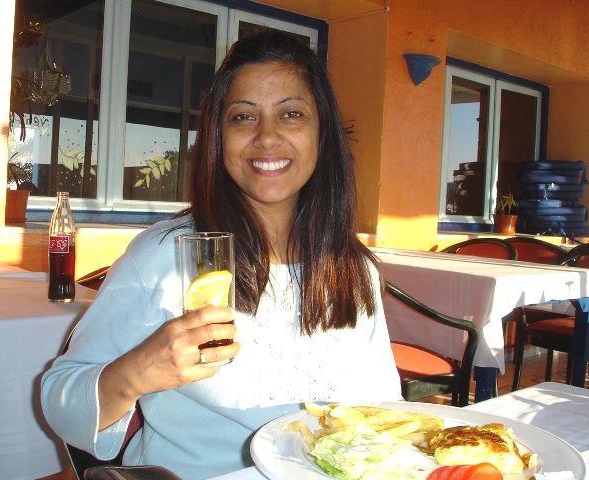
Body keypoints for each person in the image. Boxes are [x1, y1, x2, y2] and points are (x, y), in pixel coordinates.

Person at [41, 31, 402, 479]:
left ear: (322, 133)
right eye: (243, 117)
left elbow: (383, 407)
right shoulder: (165, 256)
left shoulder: (355, 268)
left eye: (291, 114)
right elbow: (61, 400)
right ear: (218, 137)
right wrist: (138, 371)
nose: (267, 137)